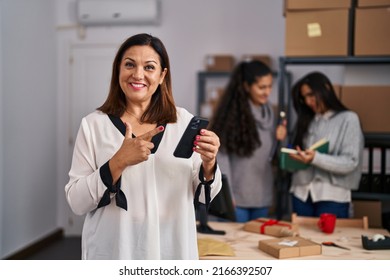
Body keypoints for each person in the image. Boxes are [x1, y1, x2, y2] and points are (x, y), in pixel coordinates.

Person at [65, 33, 222, 260]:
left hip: (171, 250)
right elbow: (77, 202)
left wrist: (209, 163)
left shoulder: (183, 122)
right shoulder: (93, 125)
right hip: (115, 251)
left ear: (162, 75)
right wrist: (118, 162)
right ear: (118, 69)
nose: (138, 74)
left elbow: (206, 196)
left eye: (149, 67)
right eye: (129, 64)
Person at [209, 60, 287, 222]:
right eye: (261, 87)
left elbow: (275, 157)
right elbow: (221, 158)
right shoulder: (232, 116)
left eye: (269, 86)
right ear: (246, 86)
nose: (267, 92)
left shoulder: (271, 114)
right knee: (235, 246)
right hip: (237, 199)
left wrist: (282, 139)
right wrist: (226, 194)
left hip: (262, 196)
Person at [289, 71, 364, 218]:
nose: (308, 101)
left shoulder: (348, 119)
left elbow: (350, 162)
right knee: (301, 240)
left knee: (329, 241)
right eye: (304, 98)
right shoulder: (307, 120)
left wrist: (315, 158)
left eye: (311, 95)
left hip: (332, 195)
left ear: (326, 89)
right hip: (301, 194)